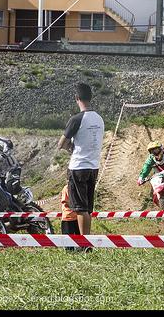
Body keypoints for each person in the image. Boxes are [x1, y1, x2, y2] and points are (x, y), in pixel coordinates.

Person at [58, 82, 104, 237]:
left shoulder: (76, 119)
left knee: (80, 208)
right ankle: (86, 240)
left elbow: (61, 143)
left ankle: (84, 242)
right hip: (93, 167)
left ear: (76, 98)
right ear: (91, 98)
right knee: (87, 209)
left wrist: (70, 148)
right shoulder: (99, 119)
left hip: (78, 167)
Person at [60, 175, 80, 251]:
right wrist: (76, 206)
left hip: (77, 217)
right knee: (68, 239)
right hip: (67, 218)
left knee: (79, 237)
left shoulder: (77, 188)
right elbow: (65, 202)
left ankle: (80, 249)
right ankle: (69, 251)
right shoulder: (66, 188)